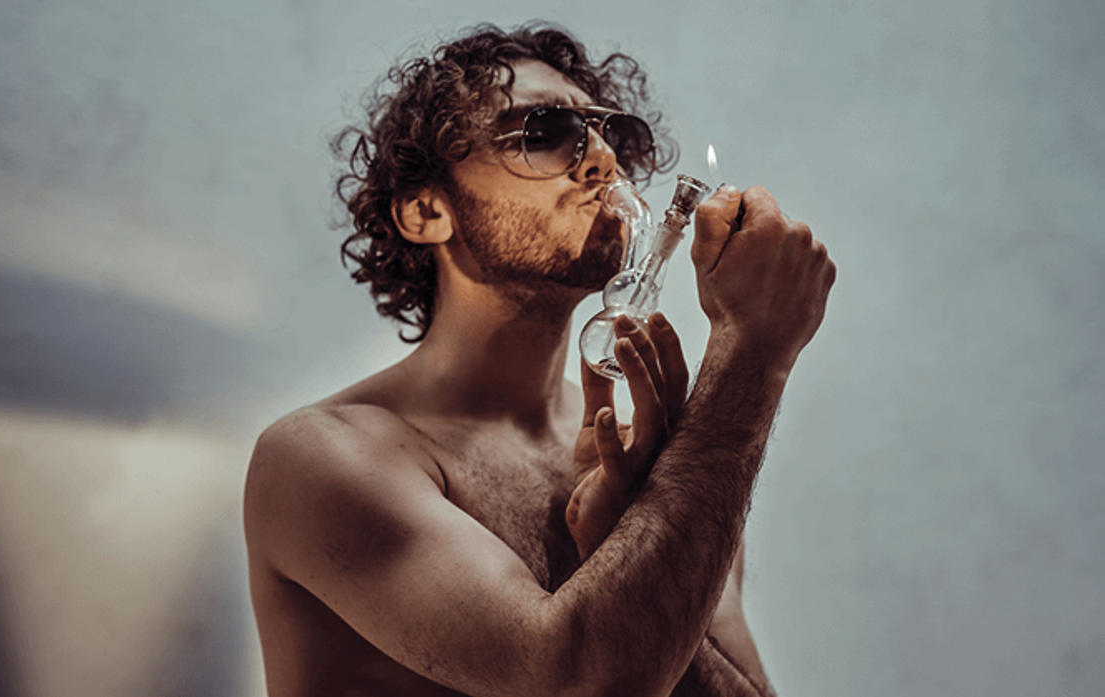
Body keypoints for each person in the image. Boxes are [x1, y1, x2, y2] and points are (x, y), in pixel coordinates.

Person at [244, 22, 835, 697]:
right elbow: (579, 682)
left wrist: (625, 537)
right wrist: (753, 357)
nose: (602, 161)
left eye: (613, 136)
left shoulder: (661, 459)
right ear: (425, 210)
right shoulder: (322, 458)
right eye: (545, 130)